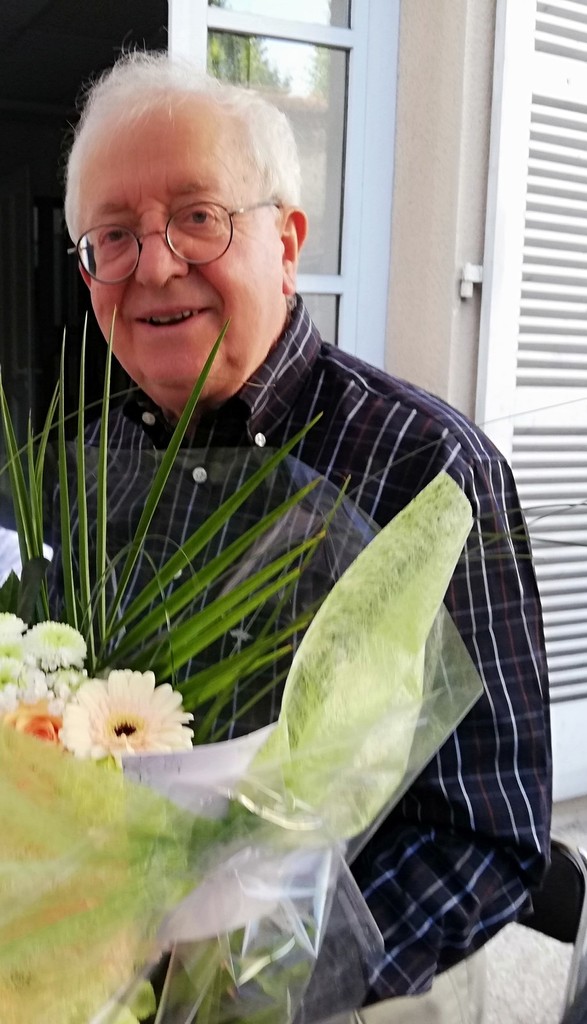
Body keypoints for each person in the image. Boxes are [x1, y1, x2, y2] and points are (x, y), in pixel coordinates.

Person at [63, 51, 551, 1024]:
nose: (153, 266)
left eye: (197, 217)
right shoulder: (87, 467)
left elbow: (486, 831)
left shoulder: (428, 471)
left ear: (285, 243)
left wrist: (258, 988)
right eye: (112, 236)